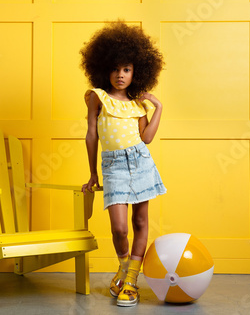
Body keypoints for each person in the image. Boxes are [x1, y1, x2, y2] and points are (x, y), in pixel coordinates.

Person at [80, 21, 167, 307]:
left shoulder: (138, 104)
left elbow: (147, 138)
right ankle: (123, 267)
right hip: (114, 166)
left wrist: (158, 109)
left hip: (141, 162)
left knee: (140, 221)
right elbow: (92, 135)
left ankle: (130, 281)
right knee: (119, 227)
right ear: (104, 68)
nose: (121, 75)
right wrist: (93, 173)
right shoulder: (97, 98)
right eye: (116, 69)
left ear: (136, 72)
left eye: (127, 69)